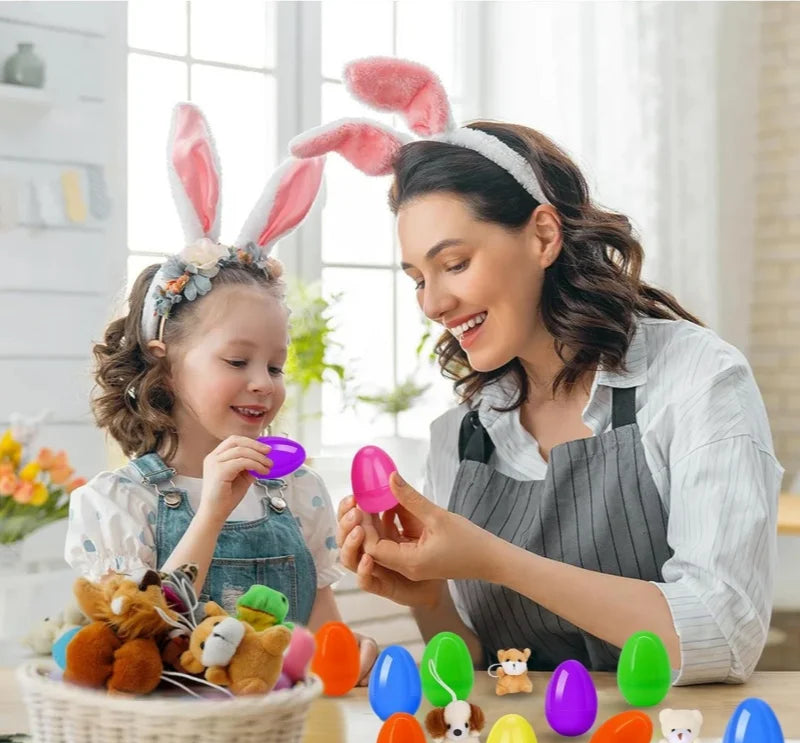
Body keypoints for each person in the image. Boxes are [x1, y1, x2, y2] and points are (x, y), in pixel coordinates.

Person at [293, 56, 782, 684]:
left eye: (455, 263)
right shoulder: (464, 435)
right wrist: (430, 596)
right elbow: (478, 661)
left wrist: (496, 560)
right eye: (418, 279)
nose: (434, 303)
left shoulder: (694, 378)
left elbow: (723, 633)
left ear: (543, 236)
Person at [65, 102, 377, 682]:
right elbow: (132, 644)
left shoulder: (299, 493)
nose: (263, 382)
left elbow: (320, 631)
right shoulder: (117, 505)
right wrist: (208, 514)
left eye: (276, 366)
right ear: (164, 367)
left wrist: (351, 657)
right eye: (238, 360)